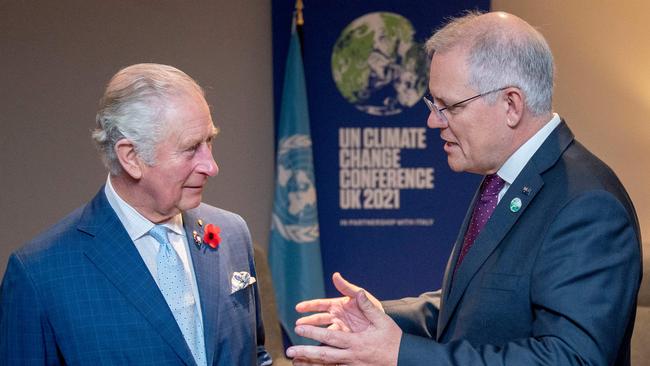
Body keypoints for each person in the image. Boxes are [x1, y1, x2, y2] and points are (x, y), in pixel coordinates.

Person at [285, 11, 642, 366]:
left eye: (448, 107)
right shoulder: (504, 177)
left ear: (511, 105)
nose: (432, 121)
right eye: (432, 104)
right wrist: (381, 315)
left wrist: (401, 354)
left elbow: (570, 359)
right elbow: (484, 300)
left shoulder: (587, 206)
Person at [0, 63, 271, 366]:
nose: (211, 166)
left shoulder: (232, 235)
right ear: (131, 157)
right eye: (191, 148)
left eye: (210, 141)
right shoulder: (40, 274)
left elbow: (253, 356)